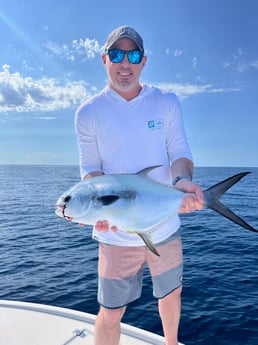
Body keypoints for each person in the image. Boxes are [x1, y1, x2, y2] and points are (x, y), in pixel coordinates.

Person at [75, 26, 204, 345]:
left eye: (133, 55)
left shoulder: (166, 102)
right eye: (116, 54)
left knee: (171, 294)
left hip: (164, 225)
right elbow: (91, 170)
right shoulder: (88, 112)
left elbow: (180, 152)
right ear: (104, 59)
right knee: (110, 310)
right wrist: (96, 207)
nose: (125, 63)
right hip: (115, 232)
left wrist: (182, 180)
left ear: (143, 61)